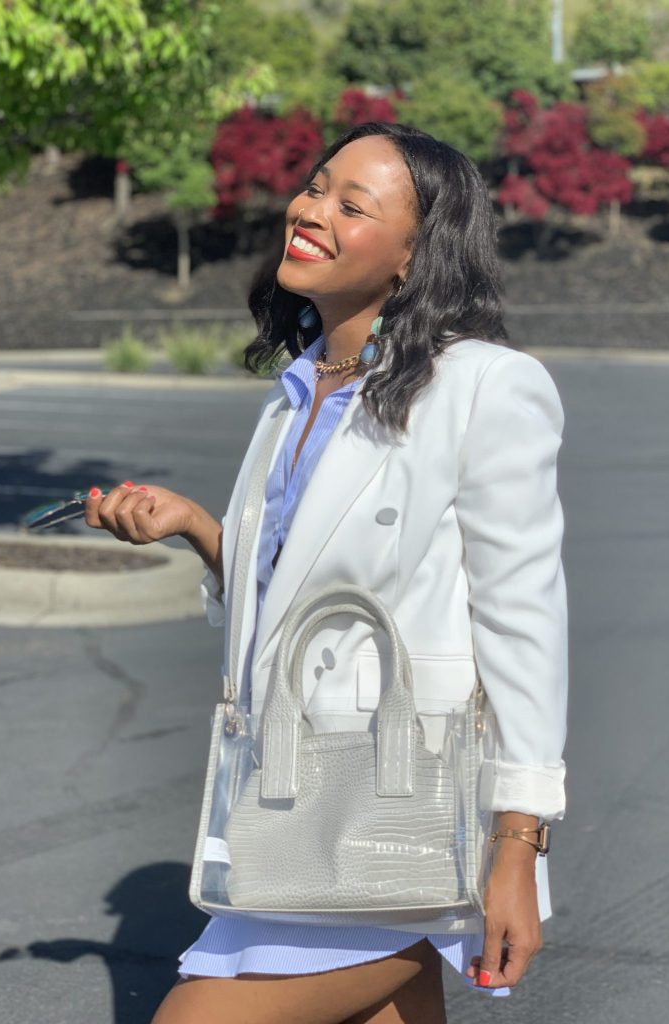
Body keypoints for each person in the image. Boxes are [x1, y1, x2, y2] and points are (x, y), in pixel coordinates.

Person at [85, 121, 568, 1024]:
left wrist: (519, 843)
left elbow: (525, 624)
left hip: (392, 807)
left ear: (413, 257)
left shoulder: (484, 387)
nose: (310, 210)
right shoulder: (298, 394)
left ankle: (427, 930)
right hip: (292, 805)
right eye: (315, 187)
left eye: (353, 204)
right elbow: (296, 606)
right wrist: (198, 528)